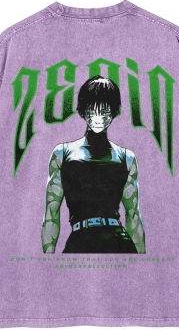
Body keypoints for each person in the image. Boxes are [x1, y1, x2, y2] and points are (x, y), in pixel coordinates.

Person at [41, 75, 146, 254]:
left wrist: (143, 264)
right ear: (83, 110)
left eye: (104, 110)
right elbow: (51, 214)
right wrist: (46, 263)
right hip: (79, 242)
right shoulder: (62, 154)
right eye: (93, 109)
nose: (98, 116)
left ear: (113, 112)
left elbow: (133, 215)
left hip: (119, 243)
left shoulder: (127, 158)